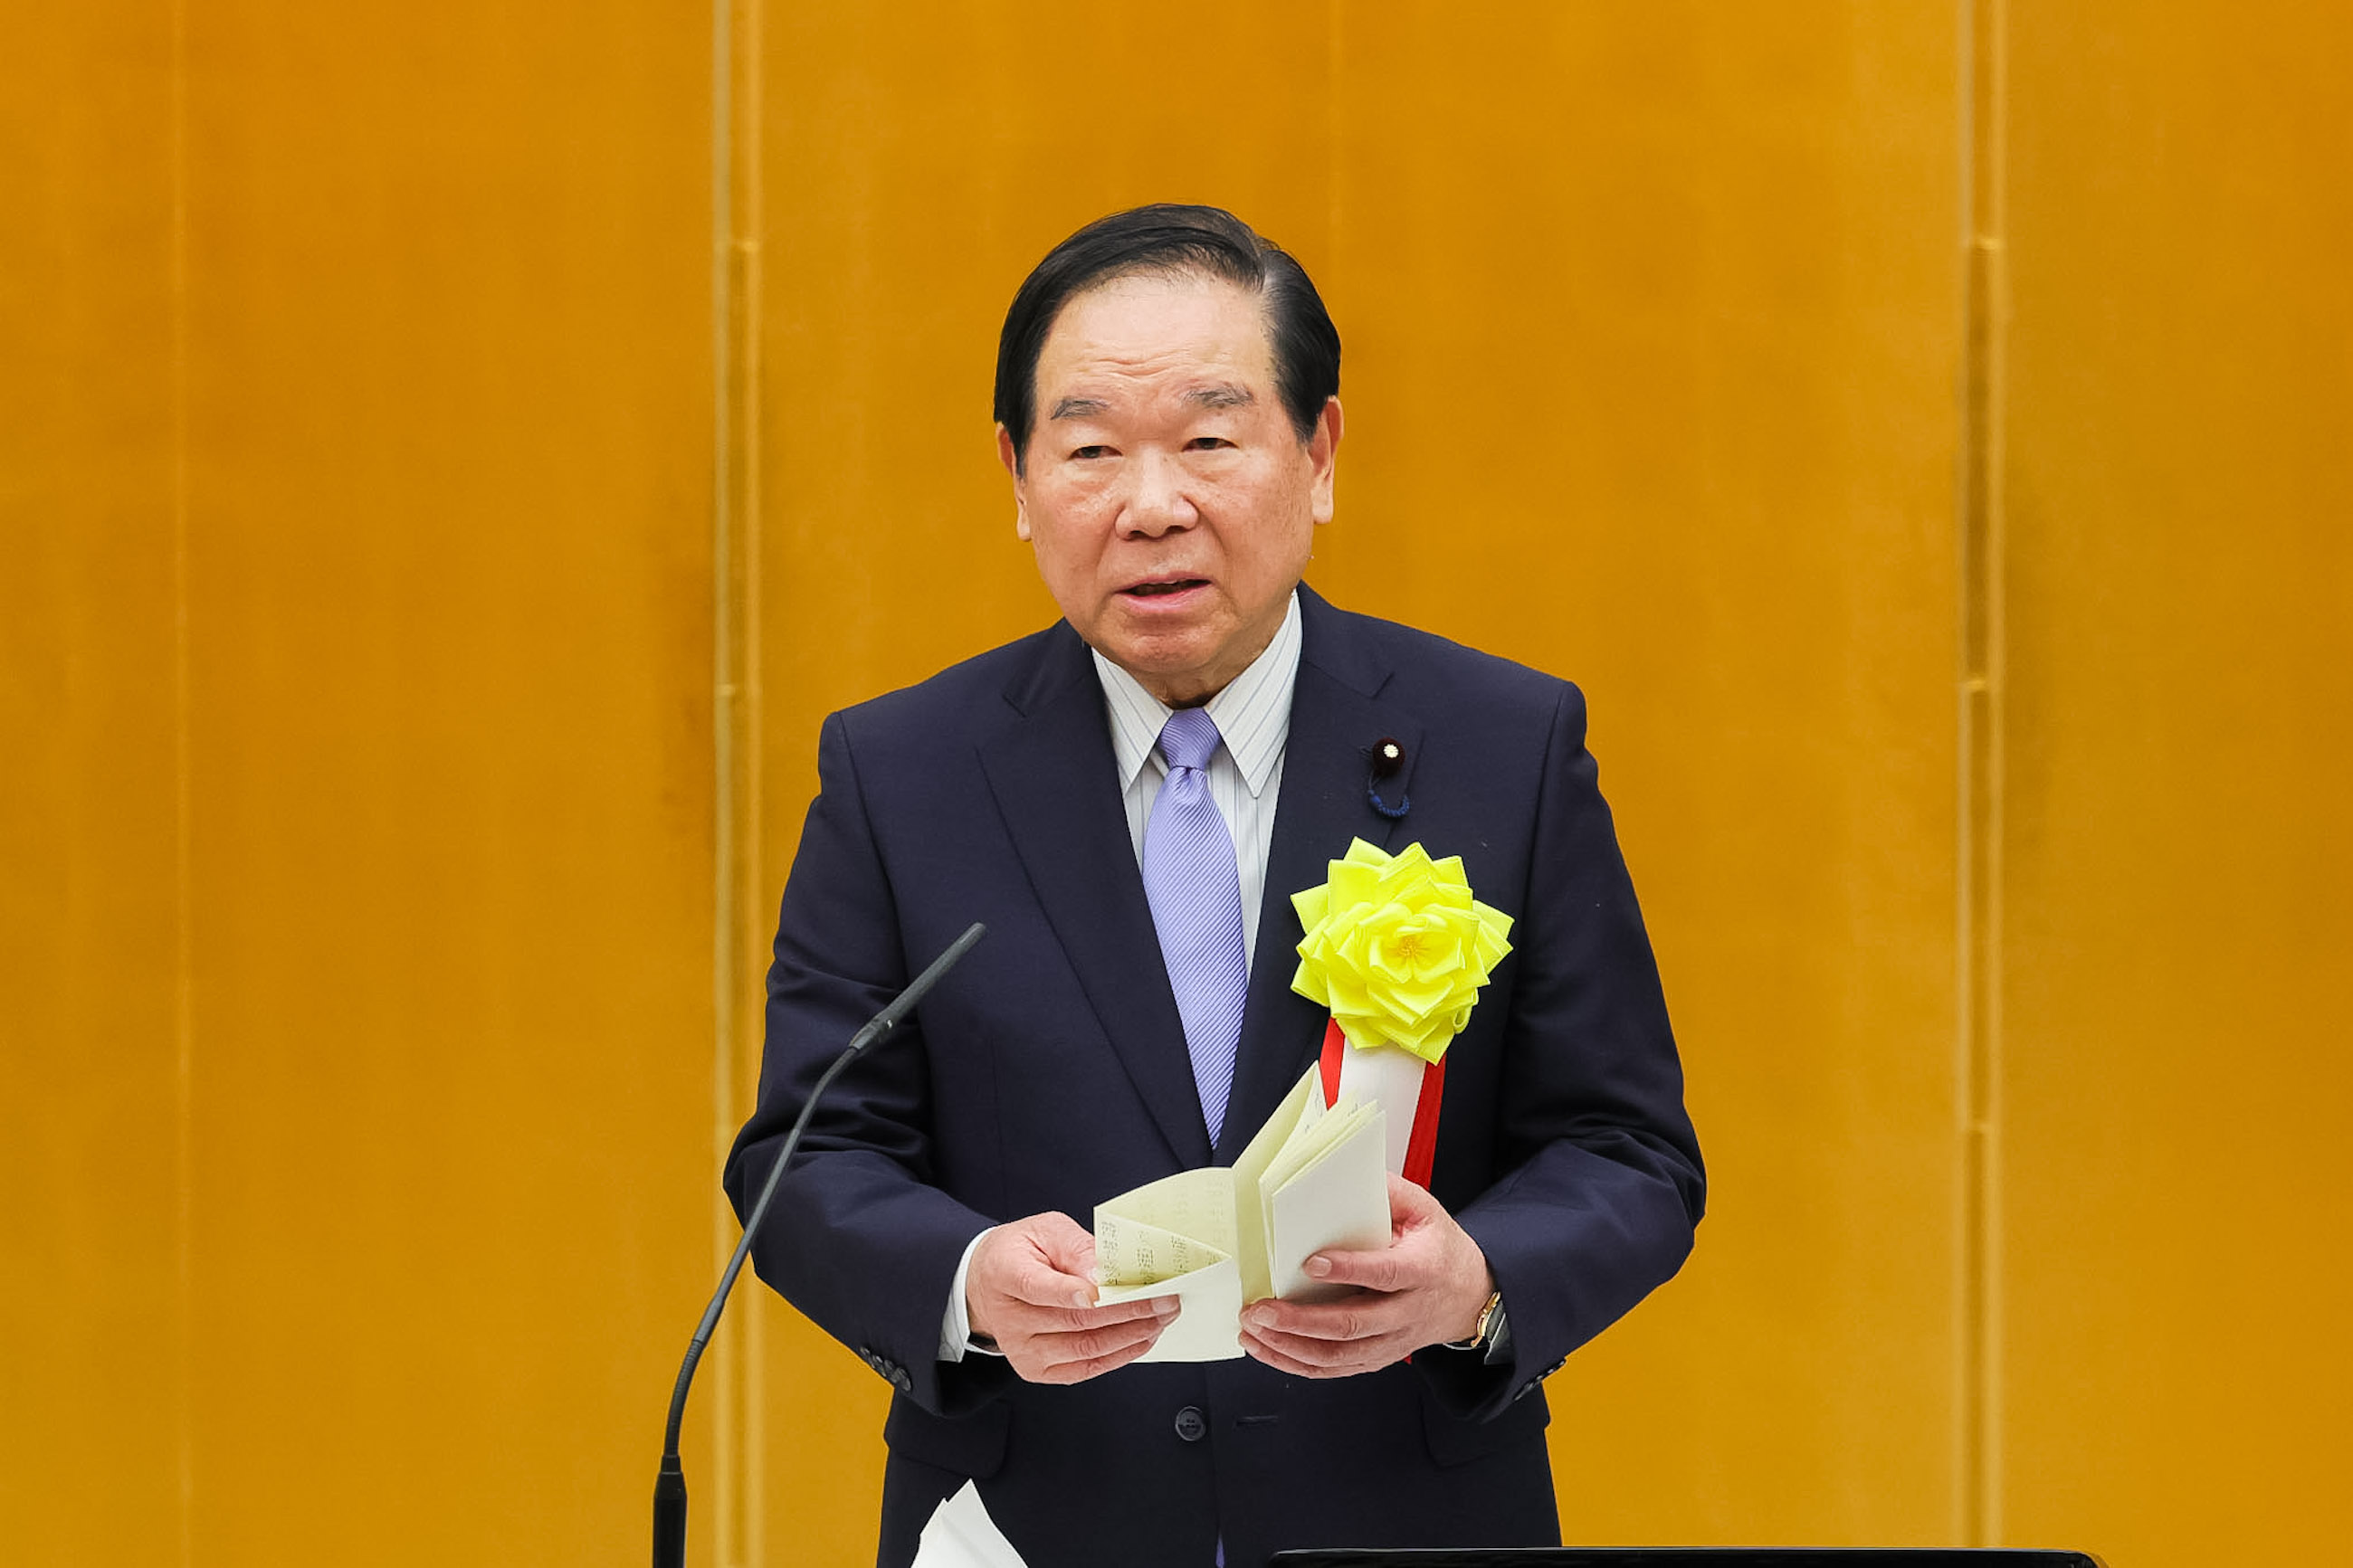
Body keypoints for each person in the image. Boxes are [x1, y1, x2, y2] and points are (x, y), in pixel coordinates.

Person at [723, 204, 1703, 1568]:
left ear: (1319, 454)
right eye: (1089, 450)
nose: (1151, 506)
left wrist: (1478, 1282)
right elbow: (808, 1156)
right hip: (1030, 1524)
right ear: (1017, 478)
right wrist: (968, 1283)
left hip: (1402, 1524)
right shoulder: (905, 773)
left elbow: (1628, 1149)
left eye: (1207, 440)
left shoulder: (1502, 747)